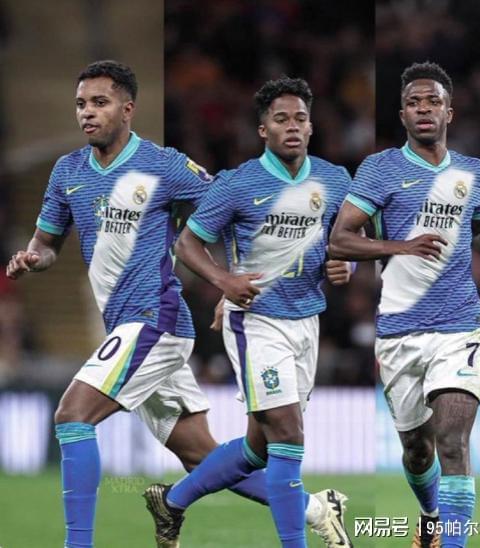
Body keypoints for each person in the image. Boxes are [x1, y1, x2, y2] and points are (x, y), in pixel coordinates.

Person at [6, 61, 352, 548]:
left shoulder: (164, 165)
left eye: (100, 103)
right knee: (201, 457)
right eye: (81, 104)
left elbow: (231, 211)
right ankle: (318, 509)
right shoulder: (68, 172)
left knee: (72, 416)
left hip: (155, 320)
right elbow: (46, 244)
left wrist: (229, 283)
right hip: (124, 327)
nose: (87, 113)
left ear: (127, 109)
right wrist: (31, 259)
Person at [144, 76, 355, 548]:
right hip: (257, 323)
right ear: (263, 130)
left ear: (311, 126)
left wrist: (346, 265)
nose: (292, 126)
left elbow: (345, 243)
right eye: (281, 119)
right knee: (288, 434)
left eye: (300, 118)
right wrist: (224, 281)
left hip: (307, 321)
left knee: (258, 448)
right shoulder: (238, 184)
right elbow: (187, 244)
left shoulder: (335, 180)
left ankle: (172, 501)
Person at [329, 62, 480, 548]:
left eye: (433, 101)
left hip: (458, 325)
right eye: (414, 103)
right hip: (399, 331)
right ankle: (430, 518)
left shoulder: (473, 172)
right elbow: (340, 239)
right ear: (403, 115)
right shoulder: (380, 169)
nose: (424, 109)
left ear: (449, 112)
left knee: (453, 442)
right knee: (417, 450)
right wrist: (400, 247)